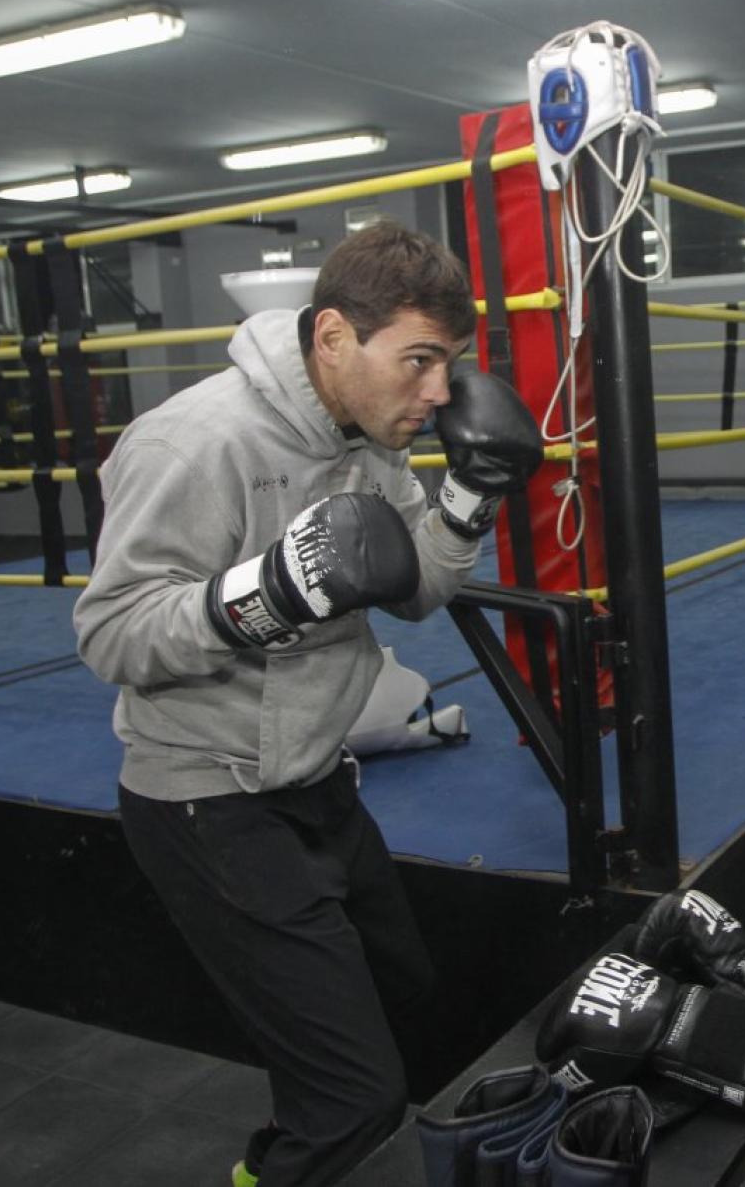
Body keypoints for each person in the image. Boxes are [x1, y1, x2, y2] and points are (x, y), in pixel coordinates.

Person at [74, 222, 543, 1186]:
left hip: (321, 782)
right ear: (333, 338)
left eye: (448, 365)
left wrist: (467, 501)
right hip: (209, 800)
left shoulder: (368, 436)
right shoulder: (193, 442)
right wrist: (263, 594)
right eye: (419, 361)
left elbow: (413, 589)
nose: (439, 393)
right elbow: (111, 636)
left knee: (405, 1002)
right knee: (355, 1100)